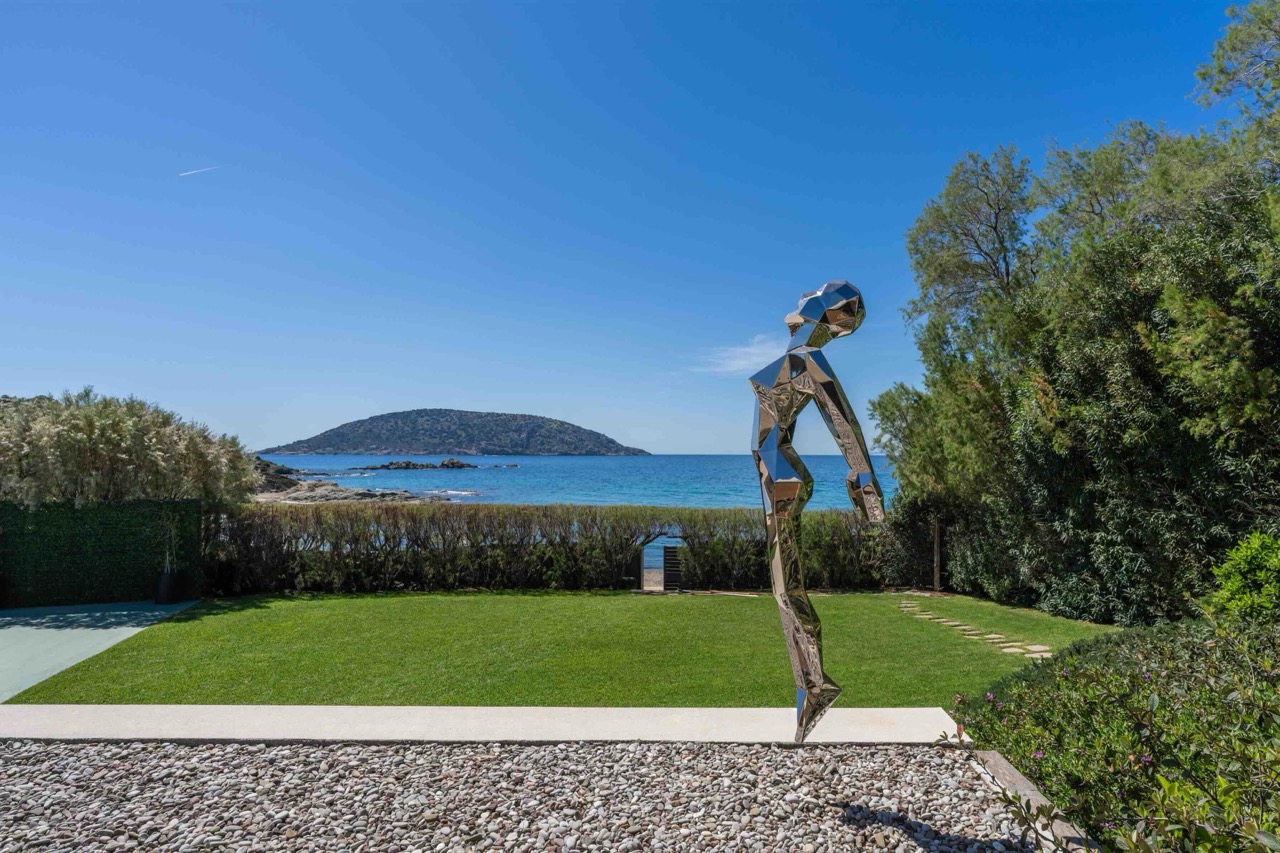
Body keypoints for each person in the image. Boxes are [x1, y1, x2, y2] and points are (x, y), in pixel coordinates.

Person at [749, 280, 885, 742]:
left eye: (819, 291)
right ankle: (811, 683)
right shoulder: (798, 354)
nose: (804, 294)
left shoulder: (808, 359)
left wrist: (865, 483)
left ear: (826, 309)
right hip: (774, 474)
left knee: (786, 589)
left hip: (781, 476)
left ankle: (813, 685)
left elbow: (842, 421)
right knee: (784, 589)